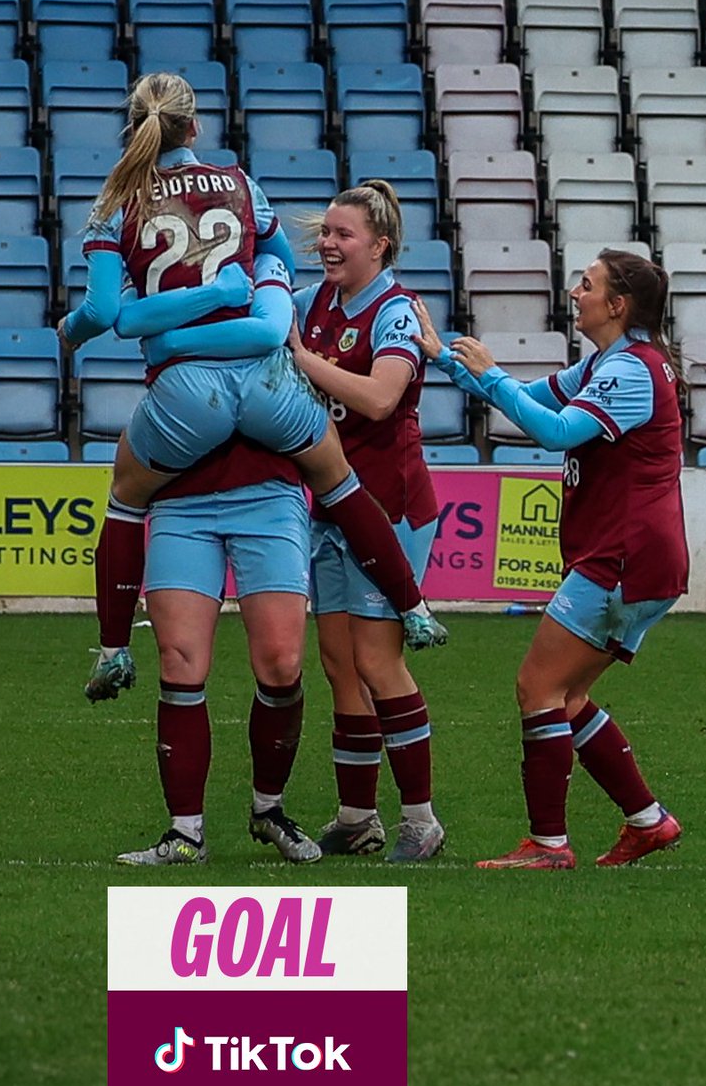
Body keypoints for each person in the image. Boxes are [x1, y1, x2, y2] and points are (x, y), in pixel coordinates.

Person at [56, 72, 445, 702]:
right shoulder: (240, 185)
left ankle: (114, 649)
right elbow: (274, 296)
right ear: (195, 127)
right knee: (339, 483)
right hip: (266, 384)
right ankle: (415, 606)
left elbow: (106, 316)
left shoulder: (114, 201)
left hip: (185, 392)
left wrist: (77, 331)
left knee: (127, 499)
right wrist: (226, 294)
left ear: (133, 128)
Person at [414, 248, 687, 869]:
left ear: (616, 305)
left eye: (586, 285)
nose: (574, 292)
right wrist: (449, 360)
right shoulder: (611, 364)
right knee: (565, 700)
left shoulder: (631, 371)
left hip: (623, 558)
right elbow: (529, 399)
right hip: (635, 557)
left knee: (537, 686)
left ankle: (547, 844)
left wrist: (492, 375)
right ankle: (648, 821)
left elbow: (556, 432)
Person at [287, 181, 446, 864]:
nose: (327, 242)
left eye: (342, 234)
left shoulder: (399, 310)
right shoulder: (309, 303)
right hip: (327, 506)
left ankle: (421, 821)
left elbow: (382, 400)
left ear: (379, 246)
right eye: (325, 231)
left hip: (389, 507)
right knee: (337, 664)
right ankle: (357, 817)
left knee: (379, 662)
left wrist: (302, 360)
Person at [115, 424, 321, 867]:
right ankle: (185, 831)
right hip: (179, 494)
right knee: (179, 660)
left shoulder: (278, 353)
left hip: (270, 492)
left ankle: (269, 809)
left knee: (282, 664)